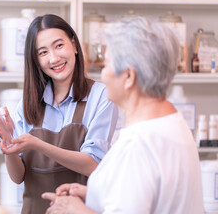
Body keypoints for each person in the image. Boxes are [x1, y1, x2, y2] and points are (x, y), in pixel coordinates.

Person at [42, 16, 204, 214]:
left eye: (106, 65)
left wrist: (76, 210)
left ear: (128, 76)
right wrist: (97, 195)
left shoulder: (138, 144)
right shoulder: (172, 122)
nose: (102, 74)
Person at [0, 14, 118, 214]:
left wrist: (37, 144)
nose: (54, 58)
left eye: (59, 46)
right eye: (43, 52)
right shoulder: (27, 104)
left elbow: (93, 164)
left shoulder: (101, 96)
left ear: (74, 45)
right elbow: (18, 176)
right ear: (36, 60)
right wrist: (10, 147)